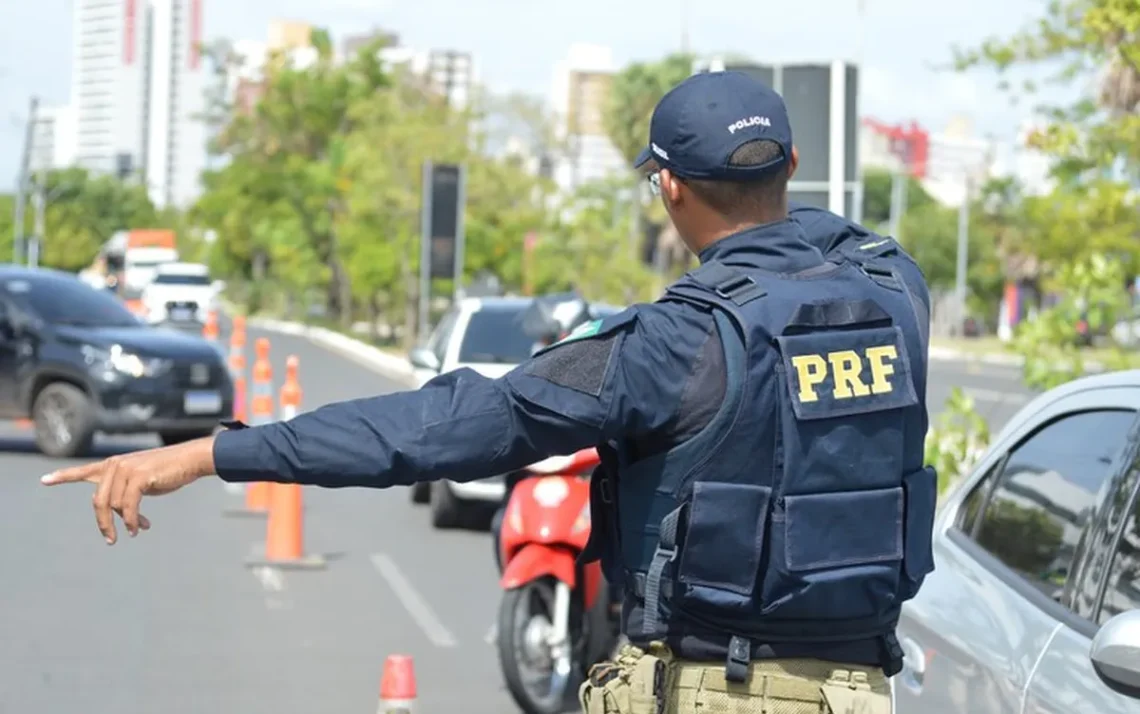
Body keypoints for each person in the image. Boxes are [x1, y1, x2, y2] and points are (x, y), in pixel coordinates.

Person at [42, 71, 934, 714]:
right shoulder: (897, 293)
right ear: (793, 164)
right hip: (861, 689)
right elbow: (819, 240)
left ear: (665, 186)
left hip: (716, 689)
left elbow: (438, 428)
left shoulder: (675, 342)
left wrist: (210, 451)